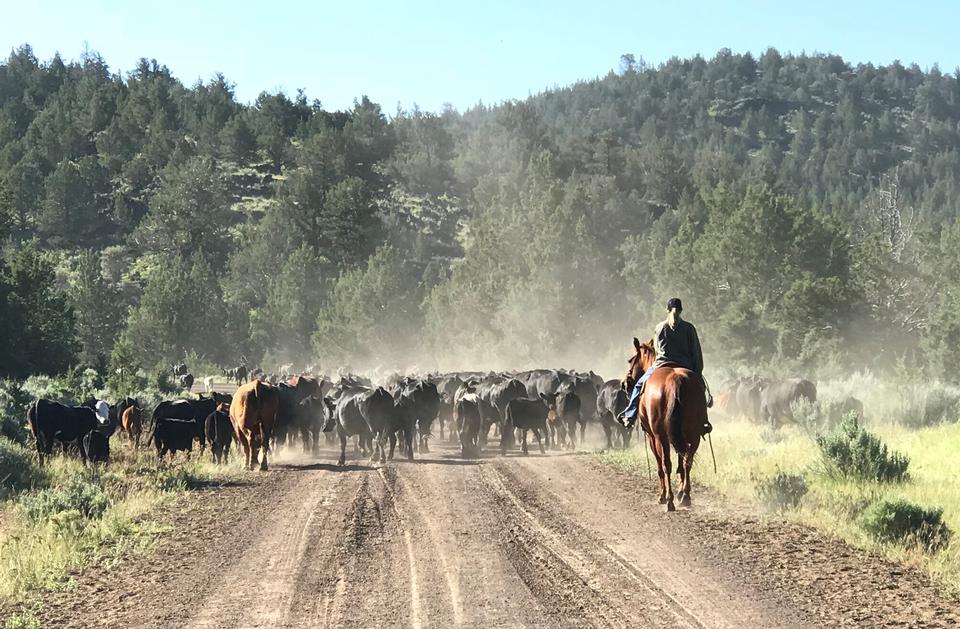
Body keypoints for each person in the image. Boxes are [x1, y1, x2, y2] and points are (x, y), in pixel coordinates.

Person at [619, 298, 712, 433]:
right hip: (685, 365)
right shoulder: (689, 328)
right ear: (681, 310)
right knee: (700, 389)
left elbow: (657, 350)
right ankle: (703, 420)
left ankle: (630, 415)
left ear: (667, 310)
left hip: (661, 365)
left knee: (639, 385)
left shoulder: (660, 327)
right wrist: (697, 373)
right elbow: (696, 352)